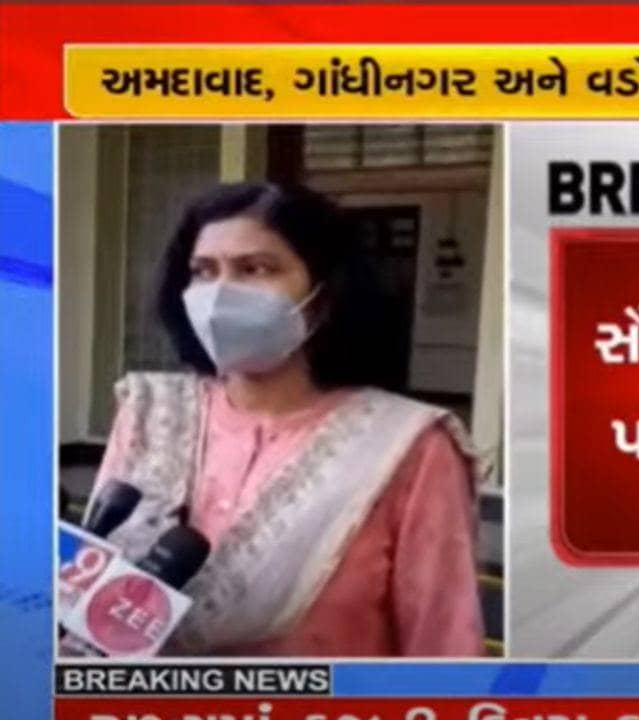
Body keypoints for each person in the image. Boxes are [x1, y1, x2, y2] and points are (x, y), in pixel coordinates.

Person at [86, 182, 485, 657]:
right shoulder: (151, 413)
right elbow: (88, 588)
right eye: (203, 271)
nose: (220, 295)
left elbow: (443, 644)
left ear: (324, 293)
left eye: (256, 268)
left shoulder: (408, 447)